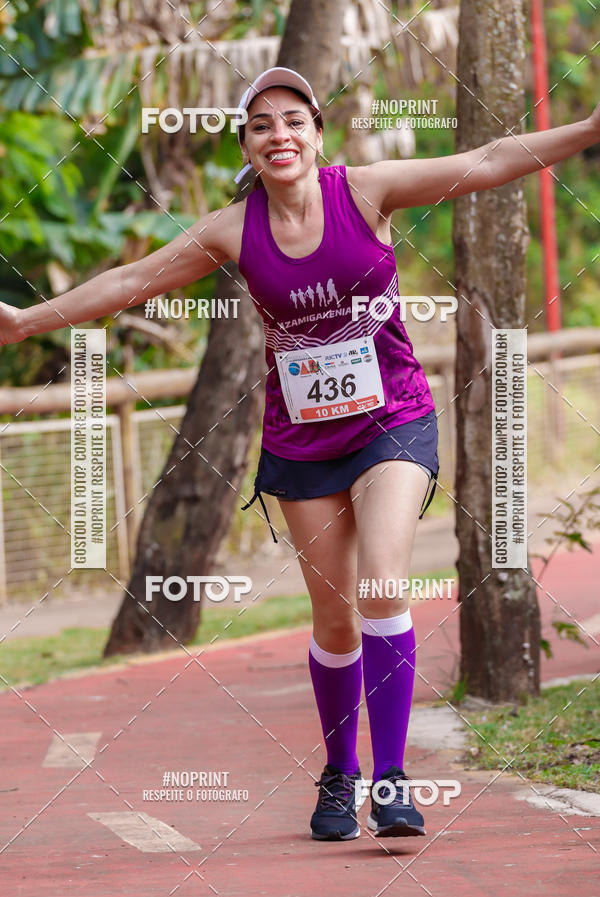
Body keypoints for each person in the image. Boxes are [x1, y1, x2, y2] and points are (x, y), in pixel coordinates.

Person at [1, 67, 598, 842]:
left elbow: (485, 161)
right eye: (261, 125)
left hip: (393, 421)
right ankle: (338, 774)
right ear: (248, 147)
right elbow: (129, 280)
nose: (279, 134)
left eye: (293, 120)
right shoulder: (231, 229)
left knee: (385, 581)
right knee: (335, 618)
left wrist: (586, 132)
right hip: (302, 442)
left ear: (317, 133)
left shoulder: (368, 190)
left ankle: (390, 781)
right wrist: (22, 325)